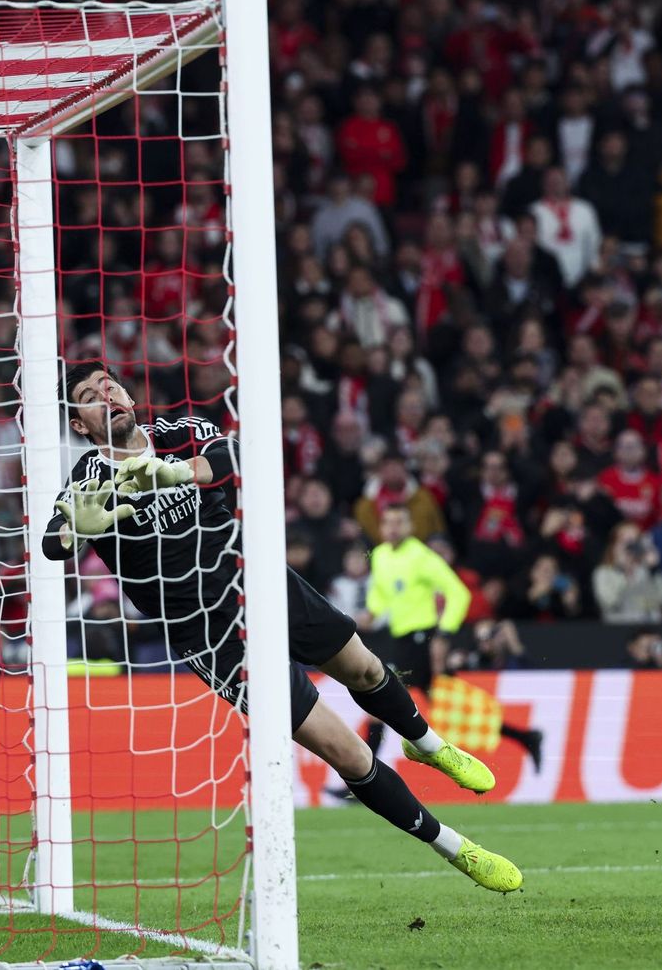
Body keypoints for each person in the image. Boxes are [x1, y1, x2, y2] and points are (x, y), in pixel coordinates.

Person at [43, 364, 521, 892]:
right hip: (212, 634)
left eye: (109, 383)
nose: (104, 393)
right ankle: (456, 848)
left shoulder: (179, 434)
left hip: (261, 582)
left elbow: (235, 454)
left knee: (362, 668)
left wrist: (178, 473)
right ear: (82, 425)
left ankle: (429, 745)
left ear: (129, 395)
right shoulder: (89, 480)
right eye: (89, 396)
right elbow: (51, 543)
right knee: (348, 753)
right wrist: (73, 530)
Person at [360, 504, 544, 770]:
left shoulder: (422, 557)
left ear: (410, 527)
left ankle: (363, 777)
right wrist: (370, 613)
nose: (393, 527)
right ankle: (525, 736)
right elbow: (381, 593)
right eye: (388, 522)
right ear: (381, 527)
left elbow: (458, 593)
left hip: (422, 640)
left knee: (380, 702)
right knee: (448, 704)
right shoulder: (380, 556)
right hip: (401, 641)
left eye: (399, 522)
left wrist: (444, 634)